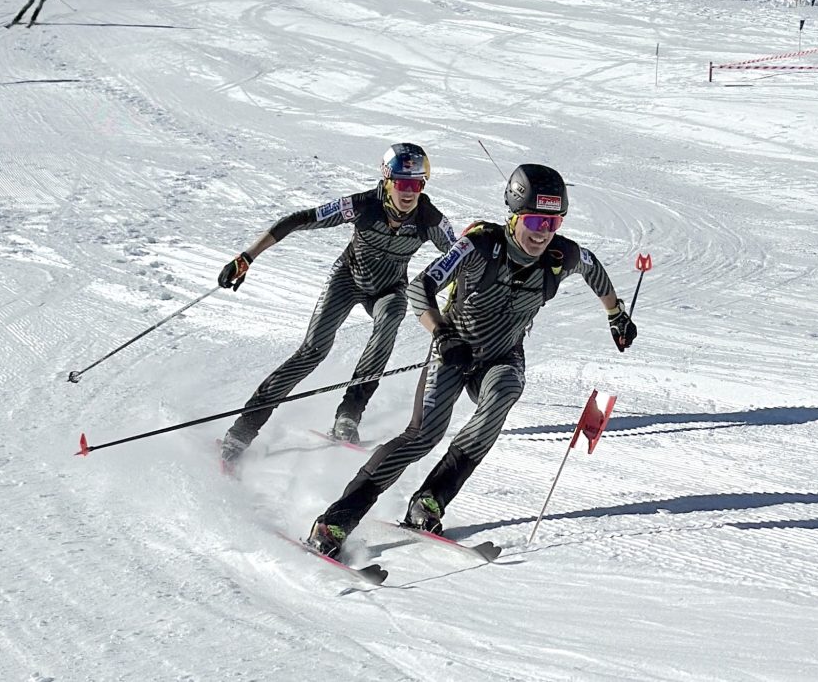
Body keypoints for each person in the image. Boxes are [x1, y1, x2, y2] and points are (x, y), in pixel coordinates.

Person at [307, 164, 637, 556]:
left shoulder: (561, 255)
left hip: (501, 355)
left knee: (506, 390)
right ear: (513, 215)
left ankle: (429, 501)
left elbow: (594, 269)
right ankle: (335, 521)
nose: (542, 232)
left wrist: (616, 315)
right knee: (423, 436)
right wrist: (442, 335)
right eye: (533, 219)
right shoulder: (477, 247)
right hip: (453, 350)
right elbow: (420, 288)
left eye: (552, 221)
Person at [217, 143, 457, 472]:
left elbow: (459, 259)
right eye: (402, 183)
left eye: (416, 184)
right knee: (312, 351)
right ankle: (240, 434)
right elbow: (301, 220)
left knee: (391, 315)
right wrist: (246, 257)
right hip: (346, 280)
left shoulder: (430, 219)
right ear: (387, 181)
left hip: (389, 287)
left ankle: (349, 415)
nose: (409, 192)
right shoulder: (363, 205)